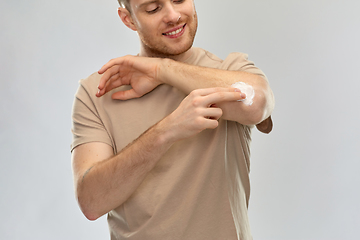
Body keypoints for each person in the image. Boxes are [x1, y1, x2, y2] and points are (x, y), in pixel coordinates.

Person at [71, 0, 275, 239]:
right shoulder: (98, 91)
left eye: (179, 0)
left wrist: (161, 70)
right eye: (153, 8)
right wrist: (166, 131)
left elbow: (257, 104)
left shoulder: (229, 70)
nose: (173, 15)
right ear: (128, 19)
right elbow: (91, 202)